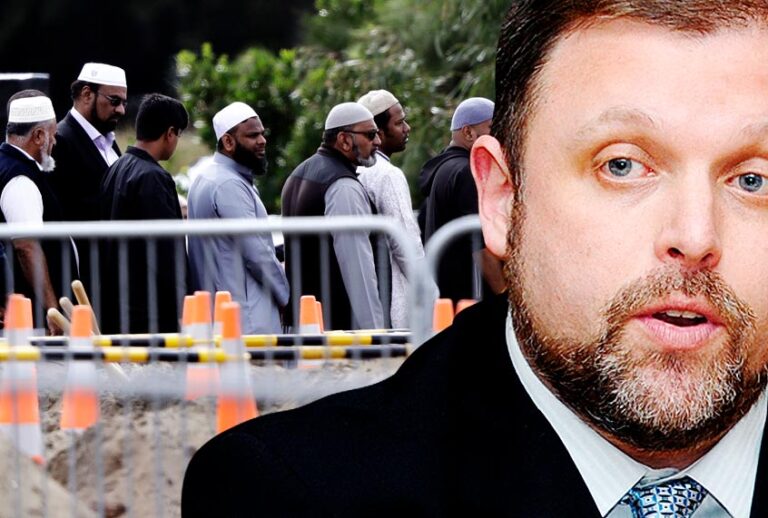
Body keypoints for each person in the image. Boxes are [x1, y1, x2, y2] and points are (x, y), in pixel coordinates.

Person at [183, 1, 768, 516]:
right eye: (621, 165)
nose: (695, 235)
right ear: (503, 199)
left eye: (753, 179)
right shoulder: (290, 494)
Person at [281, 102, 385, 330]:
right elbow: (358, 268)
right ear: (344, 140)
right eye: (370, 134)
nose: (378, 141)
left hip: (303, 323)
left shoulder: (298, 173)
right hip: (337, 329)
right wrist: (375, 334)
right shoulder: (342, 185)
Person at [187, 102, 288, 334]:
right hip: (246, 319)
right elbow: (257, 253)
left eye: (262, 134)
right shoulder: (228, 184)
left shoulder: (208, 178)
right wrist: (285, 295)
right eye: (252, 135)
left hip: (221, 316)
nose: (262, 141)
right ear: (228, 142)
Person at [99, 94, 188, 333]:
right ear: (170, 133)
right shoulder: (153, 177)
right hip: (150, 314)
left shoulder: (116, 168)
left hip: (117, 308)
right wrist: (182, 306)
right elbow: (166, 251)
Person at [356, 90, 435, 328]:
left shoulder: (356, 168)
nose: (407, 128)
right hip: (398, 300)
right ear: (378, 132)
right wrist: (430, 290)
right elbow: (406, 242)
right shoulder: (387, 174)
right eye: (399, 123)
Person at [0, 92, 74, 333]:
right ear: (39, 135)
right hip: (31, 319)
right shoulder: (20, 178)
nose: (55, 142)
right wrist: (52, 310)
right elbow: (27, 247)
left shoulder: (9, 165)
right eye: (53, 135)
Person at [49, 62, 127, 291]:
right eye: (114, 101)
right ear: (86, 94)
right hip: (84, 279)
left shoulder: (109, 142)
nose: (121, 110)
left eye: (124, 103)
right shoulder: (61, 141)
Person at [418, 97, 499, 304]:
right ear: (468, 132)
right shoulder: (465, 172)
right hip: (470, 298)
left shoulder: (443, 168)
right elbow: (480, 246)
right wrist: (504, 294)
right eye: (493, 128)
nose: (499, 137)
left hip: (450, 298)